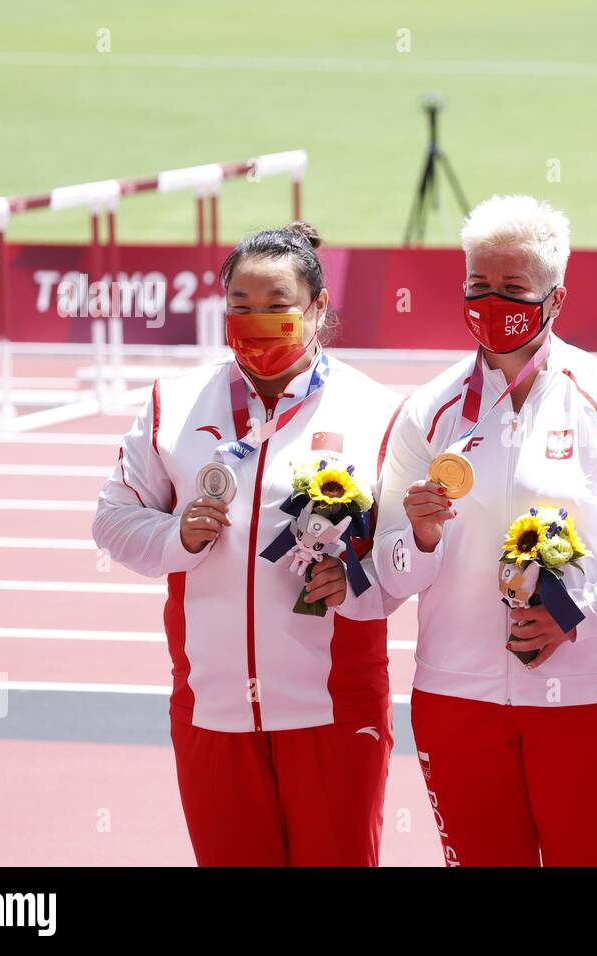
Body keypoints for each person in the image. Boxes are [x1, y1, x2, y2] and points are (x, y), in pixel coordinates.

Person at [373, 195, 597, 866]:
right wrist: (420, 538)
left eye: (512, 290)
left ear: (556, 298)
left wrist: (577, 613)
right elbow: (389, 581)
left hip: (592, 696)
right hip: (459, 696)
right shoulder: (429, 413)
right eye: (477, 287)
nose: (490, 304)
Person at [92, 222, 405, 866]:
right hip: (214, 707)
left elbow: (412, 551)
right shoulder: (172, 405)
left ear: (318, 307)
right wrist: (175, 536)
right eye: (240, 305)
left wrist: (359, 578)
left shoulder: (378, 410)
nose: (256, 321)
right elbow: (112, 521)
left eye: (277, 306)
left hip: (333, 710)